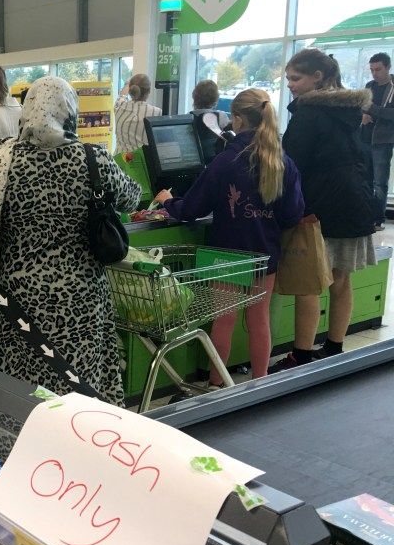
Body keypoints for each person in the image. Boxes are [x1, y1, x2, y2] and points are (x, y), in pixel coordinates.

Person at [0, 76, 141, 406]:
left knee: (21, 398)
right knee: (80, 394)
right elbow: (132, 197)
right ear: (69, 111)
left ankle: (23, 454)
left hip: (16, 306)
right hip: (82, 305)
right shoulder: (93, 160)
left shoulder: (0, 161)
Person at [153, 88, 305, 384]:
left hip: (227, 253)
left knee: (224, 319)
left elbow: (193, 208)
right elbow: (292, 214)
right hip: (265, 253)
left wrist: (167, 201)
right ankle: (259, 381)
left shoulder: (226, 161)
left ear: (237, 119)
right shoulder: (283, 162)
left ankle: (216, 384)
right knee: (259, 320)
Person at [271, 48, 376, 372]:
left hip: (321, 205)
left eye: (295, 78)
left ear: (317, 77)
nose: (290, 85)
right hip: (356, 202)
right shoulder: (350, 111)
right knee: (341, 279)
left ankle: (300, 356)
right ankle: (334, 347)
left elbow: (291, 163)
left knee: (310, 282)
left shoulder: (309, 113)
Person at [362, 52, 393, 230]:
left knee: (379, 182)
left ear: (388, 67)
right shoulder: (369, 86)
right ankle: (365, 214)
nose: (374, 73)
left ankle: (378, 218)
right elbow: (361, 107)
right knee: (365, 179)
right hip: (364, 138)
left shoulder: (392, 87)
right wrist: (363, 116)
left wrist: (373, 109)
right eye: (372, 70)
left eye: (378, 69)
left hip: (383, 141)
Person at [114, 73, 162, 153]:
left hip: (119, 162)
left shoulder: (119, 107)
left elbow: (122, 95)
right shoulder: (156, 113)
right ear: (149, 91)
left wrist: (127, 84)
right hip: (143, 163)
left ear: (130, 90)